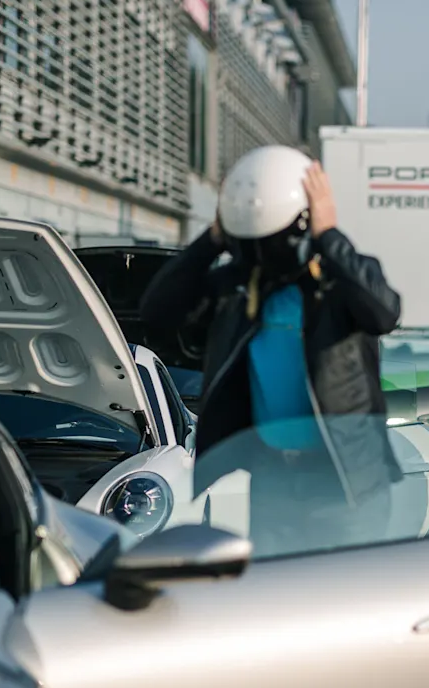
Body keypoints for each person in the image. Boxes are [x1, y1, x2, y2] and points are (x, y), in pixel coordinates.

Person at [139, 145, 403, 553]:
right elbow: (157, 311)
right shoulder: (238, 289)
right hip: (272, 481)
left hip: (348, 487)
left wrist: (329, 235)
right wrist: (212, 239)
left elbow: (384, 312)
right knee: (279, 608)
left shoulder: (338, 284)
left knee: (344, 609)